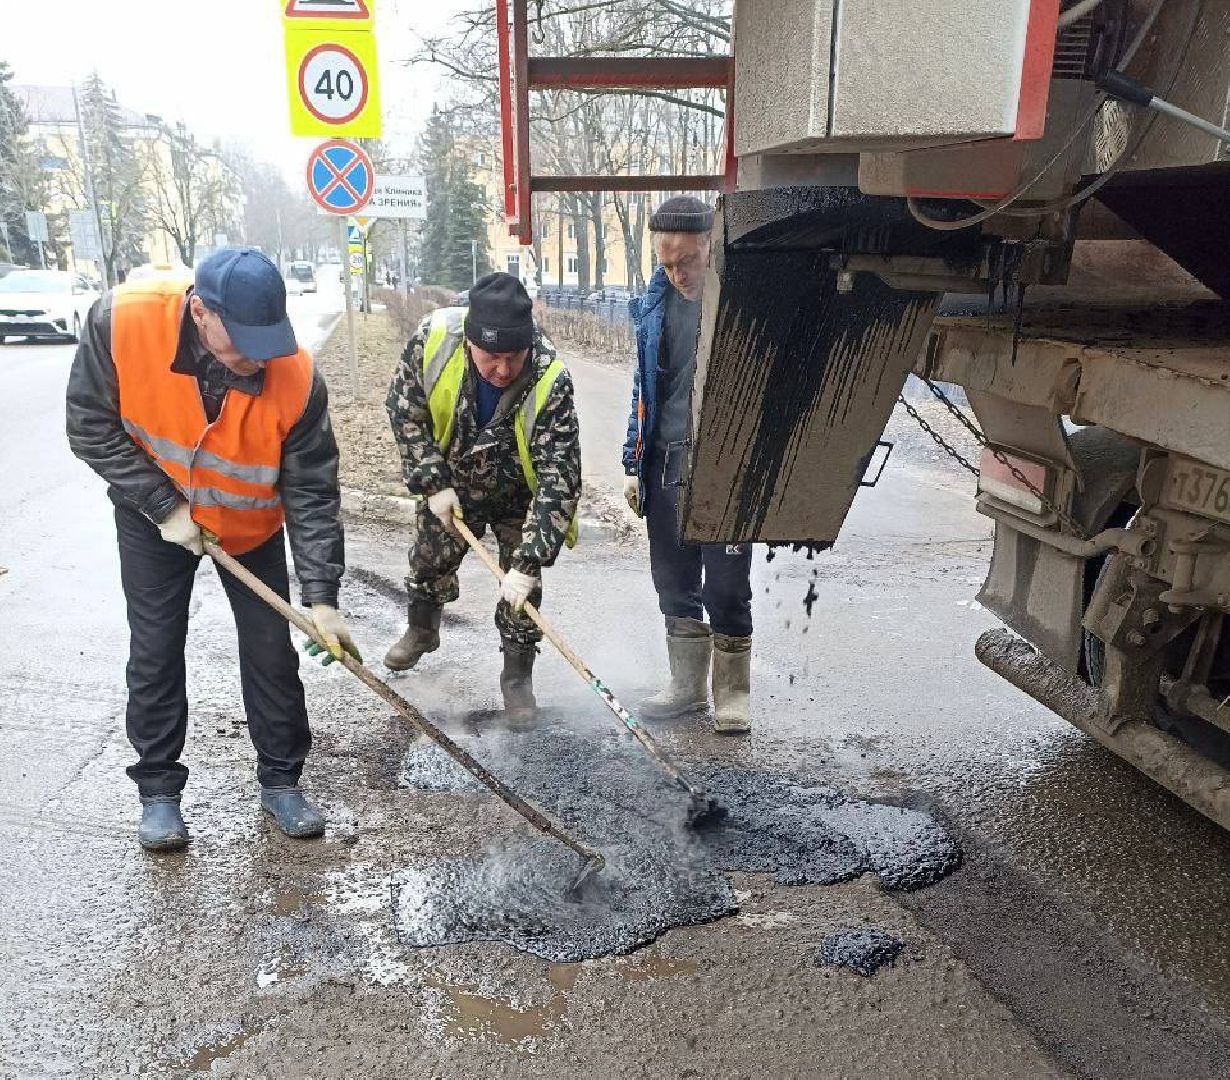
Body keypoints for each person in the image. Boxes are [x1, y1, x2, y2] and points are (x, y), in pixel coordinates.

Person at [66, 247, 358, 852]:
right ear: (200, 311)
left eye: (268, 339)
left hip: (250, 529)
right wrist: (163, 505)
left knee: (273, 653)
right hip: (155, 518)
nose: (259, 358)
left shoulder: (297, 376)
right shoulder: (119, 322)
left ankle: (282, 782)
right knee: (155, 649)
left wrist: (323, 598)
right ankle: (159, 792)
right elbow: (90, 426)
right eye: (244, 341)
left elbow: (309, 490)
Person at [383, 272, 580, 720]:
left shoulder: (551, 378)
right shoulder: (432, 342)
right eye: (491, 357)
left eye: (514, 357)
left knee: (522, 595)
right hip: (451, 479)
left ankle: (516, 680)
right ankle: (422, 629)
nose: (503, 370)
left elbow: (558, 478)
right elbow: (404, 413)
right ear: (470, 342)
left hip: (519, 493)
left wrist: (529, 562)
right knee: (430, 556)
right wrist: (432, 482)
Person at [622, 196, 753, 735]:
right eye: (667, 262)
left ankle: (733, 691)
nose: (677, 274)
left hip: (723, 465)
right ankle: (685, 687)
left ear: (712, 248)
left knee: (725, 585)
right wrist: (633, 460)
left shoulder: (739, 302)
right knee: (673, 579)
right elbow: (643, 389)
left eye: (689, 261)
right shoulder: (654, 305)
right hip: (666, 462)